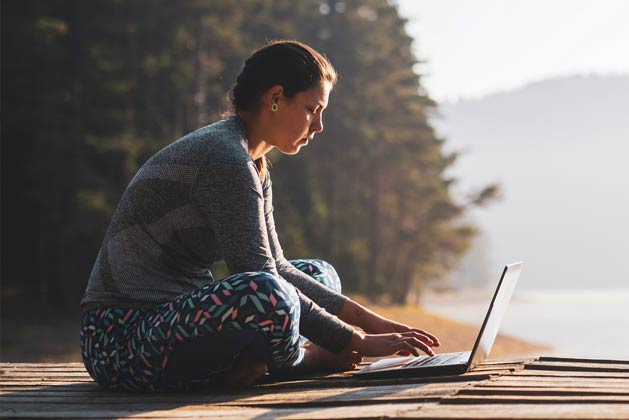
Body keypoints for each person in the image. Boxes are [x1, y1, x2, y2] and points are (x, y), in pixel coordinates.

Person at [79, 40, 439, 392]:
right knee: (267, 293)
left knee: (319, 273)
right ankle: (303, 359)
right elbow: (259, 276)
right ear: (276, 98)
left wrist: (374, 324)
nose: (319, 126)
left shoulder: (253, 163)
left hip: (176, 321)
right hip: (120, 339)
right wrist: (353, 342)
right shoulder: (224, 158)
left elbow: (278, 264)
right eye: (313, 109)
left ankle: (245, 369)